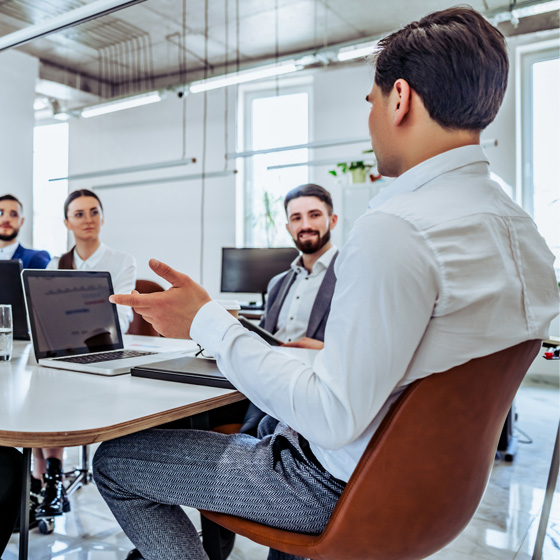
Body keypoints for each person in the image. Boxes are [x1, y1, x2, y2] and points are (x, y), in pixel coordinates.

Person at [93, 7, 560, 560]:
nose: (370, 120)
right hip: (436, 494)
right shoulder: (521, 231)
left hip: (331, 486)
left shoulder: (398, 228)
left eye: (370, 103)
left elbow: (331, 418)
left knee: (115, 461)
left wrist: (206, 322)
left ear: (400, 99)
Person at [34, 189, 137, 520]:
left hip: (103, 351)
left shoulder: (121, 262)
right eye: (79, 214)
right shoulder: (56, 264)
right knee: (40, 384)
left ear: (102, 218)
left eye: (94, 212)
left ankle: (49, 475)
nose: (88, 219)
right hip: (65, 351)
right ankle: (47, 477)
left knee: (55, 387)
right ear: (67, 222)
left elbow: (120, 318)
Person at [0, 194, 50, 268]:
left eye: (14, 214)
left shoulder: (36, 258)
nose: (6, 219)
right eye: (0, 213)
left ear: (21, 221)